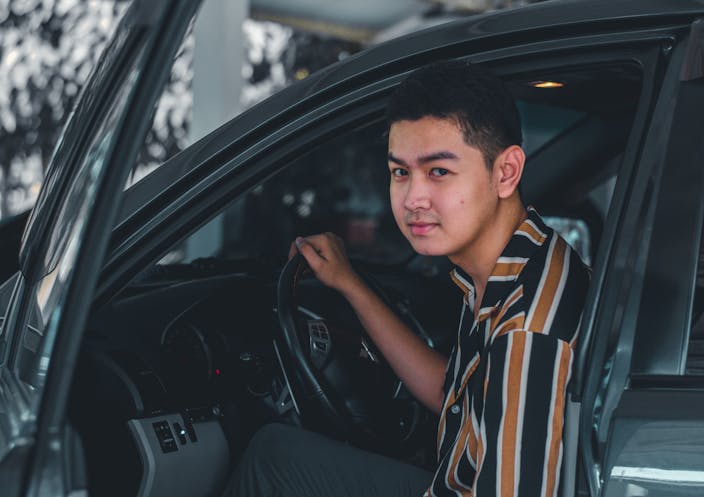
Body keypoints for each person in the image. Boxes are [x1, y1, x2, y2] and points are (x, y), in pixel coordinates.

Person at [222, 60, 589, 497]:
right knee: (274, 455)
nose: (413, 198)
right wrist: (350, 284)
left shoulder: (526, 333)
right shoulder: (515, 264)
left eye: (438, 172)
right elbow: (453, 397)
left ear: (505, 172)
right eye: (401, 172)